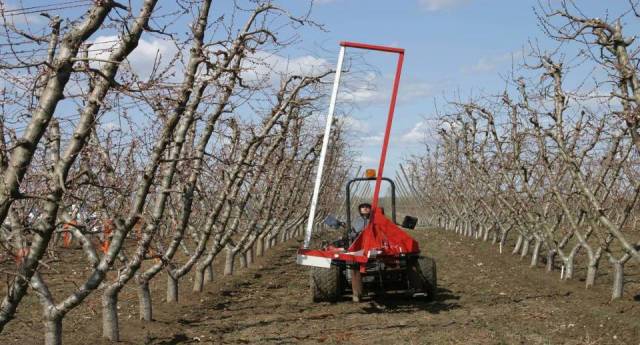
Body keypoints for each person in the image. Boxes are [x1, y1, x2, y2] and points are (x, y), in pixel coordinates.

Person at [348, 203, 371, 302]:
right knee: (354, 264)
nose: (365, 209)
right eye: (363, 207)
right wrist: (356, 234)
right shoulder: (357, 221)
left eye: (367, 207)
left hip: (374, 246)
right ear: (360, 210)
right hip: (360, 246)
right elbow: (352, 233)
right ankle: (357, 293)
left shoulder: (376, 220)